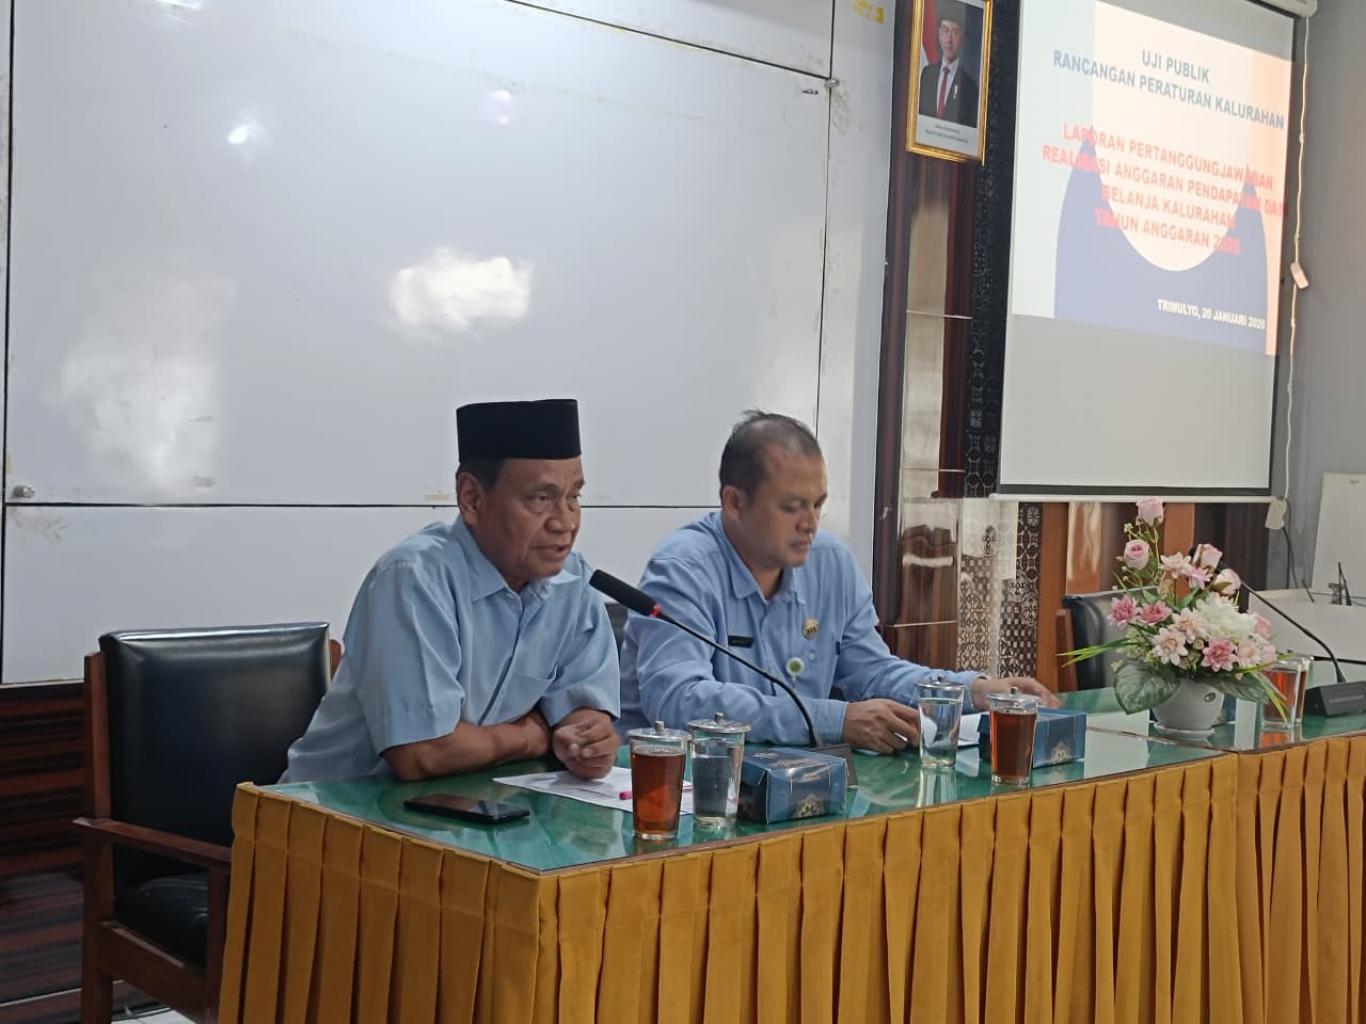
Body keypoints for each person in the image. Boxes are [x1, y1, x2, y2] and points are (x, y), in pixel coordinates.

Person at [618, 411, 1055, 752]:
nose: (810, 523)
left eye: (818, 504)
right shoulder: (682, 570)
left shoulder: (829, 561)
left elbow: (872, 673)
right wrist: (834, 720)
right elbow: (679, 701)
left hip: (795, 782)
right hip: (682, 791)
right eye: (792, 507)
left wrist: (971, 691)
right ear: (734, 502)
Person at [282, 398, 620, 783]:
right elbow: (423, 753)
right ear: (472, 498)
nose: (565, 522)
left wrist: (586, 741)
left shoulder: (573, 580)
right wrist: (534, 736)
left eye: (574, 497)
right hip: (330, 807)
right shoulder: (413, 577)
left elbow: (581, 712)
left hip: (471, 802)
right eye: (540, 499)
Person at [918, 3, 980, 128]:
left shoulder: (970, 88)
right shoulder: (926, 74)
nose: (949, 40)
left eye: (955, 32)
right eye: (945, 30)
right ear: (939, 34)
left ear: (961, 37)